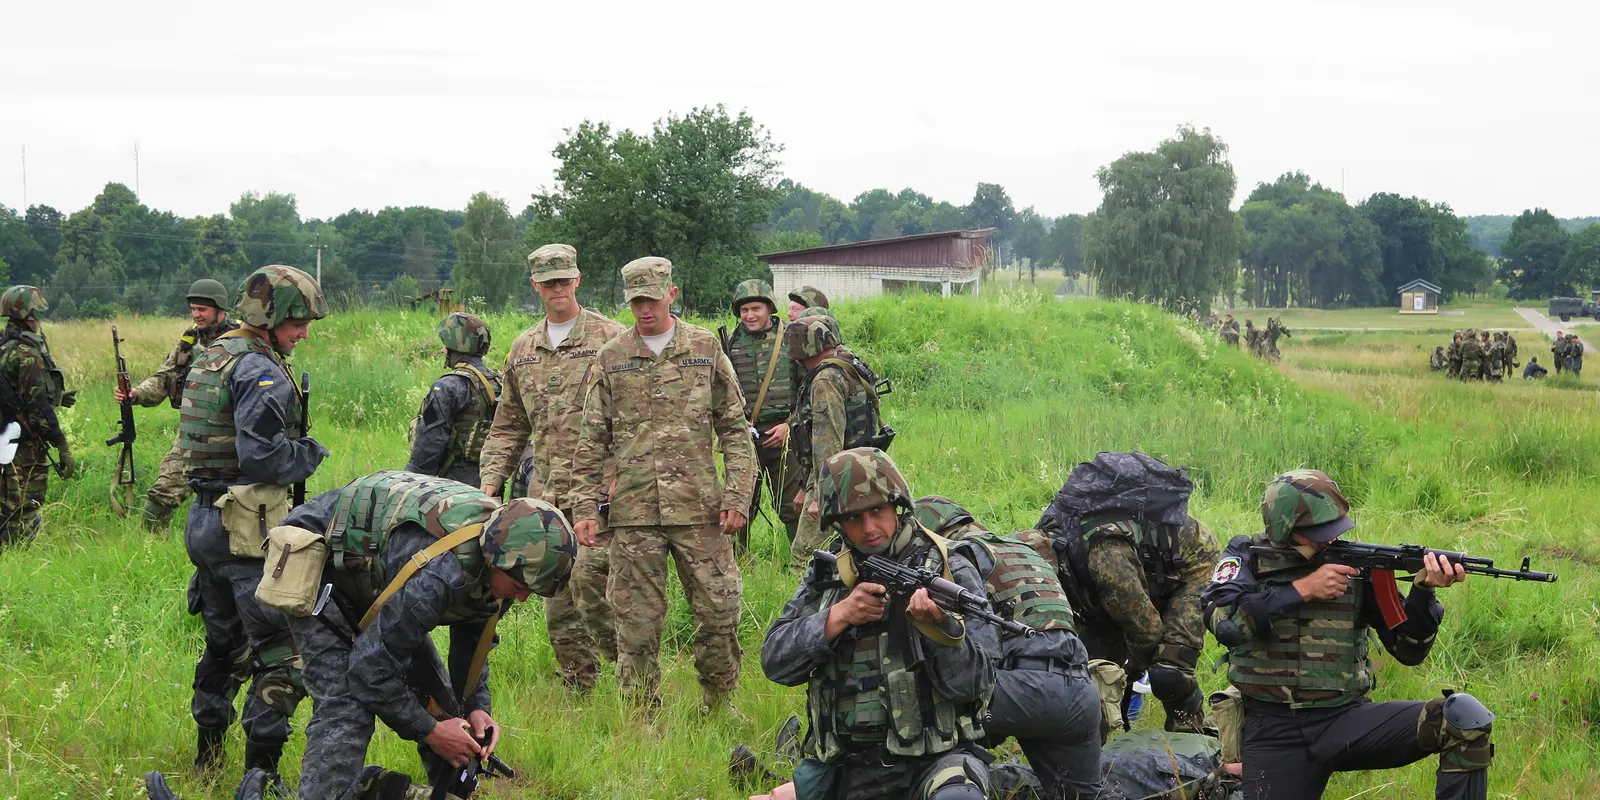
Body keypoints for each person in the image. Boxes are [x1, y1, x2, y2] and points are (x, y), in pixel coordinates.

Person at [278, 472, 574, 799]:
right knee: (346, 708)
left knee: (445, 708)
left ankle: (425, 790)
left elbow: (474, 638)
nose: (521, 599)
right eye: (519, 588)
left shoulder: (501, 557)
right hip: (319, 559)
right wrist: (431, 732)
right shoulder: (441, 574)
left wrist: (477, 707)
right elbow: (369, 670)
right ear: (494, 559)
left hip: (381, 580)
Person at [1203, 469, 1487, 799]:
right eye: (1317, 533)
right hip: (1272, 729)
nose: (1329, 540)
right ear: (1283, 527)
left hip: (1345, 720)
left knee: (1462, 719)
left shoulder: (1360, 566)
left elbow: (1410, 653)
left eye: (1333, 529)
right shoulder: (1246, 556)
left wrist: (1424, 593)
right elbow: (1226, 626)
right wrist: (1303, 590)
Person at [568, 256, 757, 714]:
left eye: (651, 299)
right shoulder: (612, 357)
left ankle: (718, 700)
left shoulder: (705, 348)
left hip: (700, 510)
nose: (644, 310)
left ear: (671, 294)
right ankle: (641, 712)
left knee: (719, 607)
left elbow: (734, 428)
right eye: (635, 301)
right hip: (634, 514)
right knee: (635, 622)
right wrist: (585, 509)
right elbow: (592, 439)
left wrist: (737, 495)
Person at [762, 448, 996, 800]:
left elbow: (979, 683)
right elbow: (775, 661)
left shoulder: (947, 568)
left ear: (897, 506)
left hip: (935, 762)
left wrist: (937, 631)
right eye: (854, 518)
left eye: (877, 511)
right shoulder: (829, 573)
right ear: (837, 522)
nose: (869, 528)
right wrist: (837, 617)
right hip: (849, 770)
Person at [176, 265, 328, 778]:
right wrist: (308, 454)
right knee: (283, 657)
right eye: (299, 321)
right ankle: (261, 777)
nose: (304, 333)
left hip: (204, 523)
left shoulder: (212, 354)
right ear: (273, 315)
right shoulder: (258, 368)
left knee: (223, 647)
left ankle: (207, 761)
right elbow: (262, 457)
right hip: (245, 532)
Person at [478, 243, 628, 692]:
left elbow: (637, 417)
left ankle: (634, 677)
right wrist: (489, 486)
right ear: (535, 287)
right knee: (554, 594)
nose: (557, 289)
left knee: (592, 584)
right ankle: (579, 684)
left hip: (601, 492)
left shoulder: (612, 339)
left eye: (564, 281)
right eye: (548, 284)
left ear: (577, 280)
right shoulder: (524, 349)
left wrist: (622, 475)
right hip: (547, 494)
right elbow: (508, 426)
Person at [914, 496, 1105, 800]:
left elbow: (967, 653)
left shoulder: (956, 556)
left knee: (925, 742)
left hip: (1017, 690)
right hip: (1081, 692)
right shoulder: (1024, 548)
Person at [1038, 452, 1218, 736]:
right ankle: (1093, 760)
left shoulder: (1106, 558)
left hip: (1191, 566)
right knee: (1090, 676)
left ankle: (1192, 745)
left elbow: (1145, 630)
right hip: (1125, 579)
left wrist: (1132, 666)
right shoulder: (1047, 539)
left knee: (1168, 673)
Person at [115, 279, 239, 531]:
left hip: (233, 433)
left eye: (202, 309)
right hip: (194, 432)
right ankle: (151, 554)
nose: (196, 315)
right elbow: (165, 377)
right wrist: (136, 393)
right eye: (193, 309)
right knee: (161, 495)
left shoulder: (241, 340)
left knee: (233, 502)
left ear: (220, 310)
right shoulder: (190, 339)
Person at [786, 315, 889, 570]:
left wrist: (820, 496)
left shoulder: (825, 379)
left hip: (836, 477)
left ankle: (806, 608)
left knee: (805, 555)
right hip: (861, 469)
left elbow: (827, 440)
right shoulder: (849, 364)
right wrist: (804, 487)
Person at [723, 279, 803, 548]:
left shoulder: (792, 337)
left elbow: (808, 389)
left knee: (793, 504)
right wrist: (737, 426)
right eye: (744, 310)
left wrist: (789, 426)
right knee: (740, 504)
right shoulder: (730, 343)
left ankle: (802, 563)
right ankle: (739, 564)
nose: (750, 315)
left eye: (756, 308)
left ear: (769, 308)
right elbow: (722, 393)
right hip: (745, 436)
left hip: (786, 434)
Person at [0, 285, 74, 547]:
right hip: (23, 443)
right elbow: (37, 406)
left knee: (5, 503)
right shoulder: (27, 353)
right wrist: (61, 443)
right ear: (29, 314)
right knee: (24, 507)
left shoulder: (5, 346)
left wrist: (57, 396)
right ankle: (14, 559)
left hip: (4, 437)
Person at [404, 312, 501, 487]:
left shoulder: (446, 387)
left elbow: (430, 441)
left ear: (456, 347)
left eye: (445, 345)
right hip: (490, 483)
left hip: (453, 487)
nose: (443, 350)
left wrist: (411, 481)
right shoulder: (498, 381)